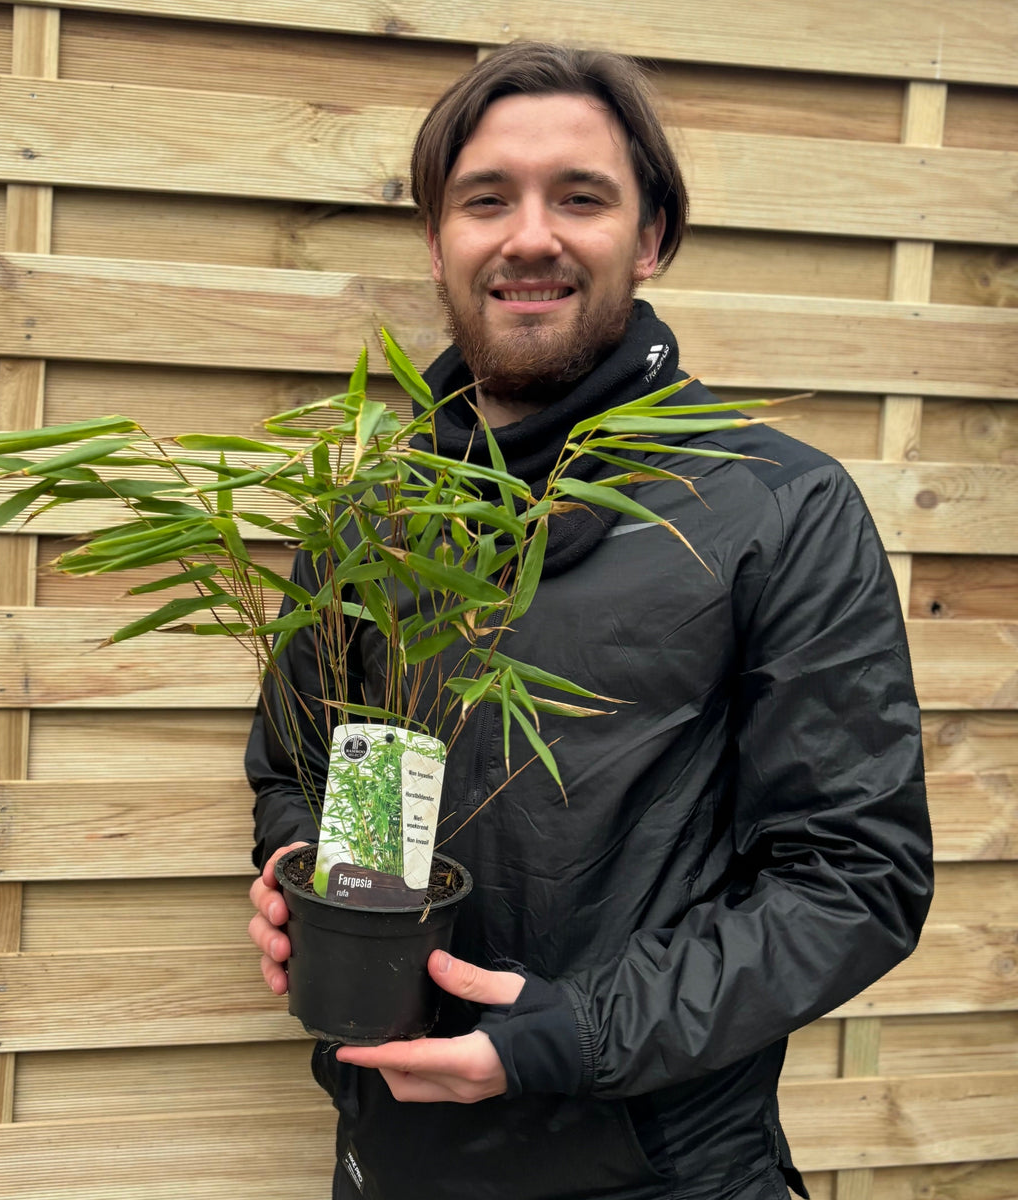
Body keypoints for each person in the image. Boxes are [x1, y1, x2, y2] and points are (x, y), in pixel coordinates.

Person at [246, 42, 932, 1200]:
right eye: (486, 200)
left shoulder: (775, 506)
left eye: (580, 197)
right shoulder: (371, 508)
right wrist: (300, 865)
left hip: (662, 1171)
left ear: (650, 235)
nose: (528, 236)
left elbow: (854, 878)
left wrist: (568, 1036)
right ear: (437, 240)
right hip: (388, 1154)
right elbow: (298, 766)